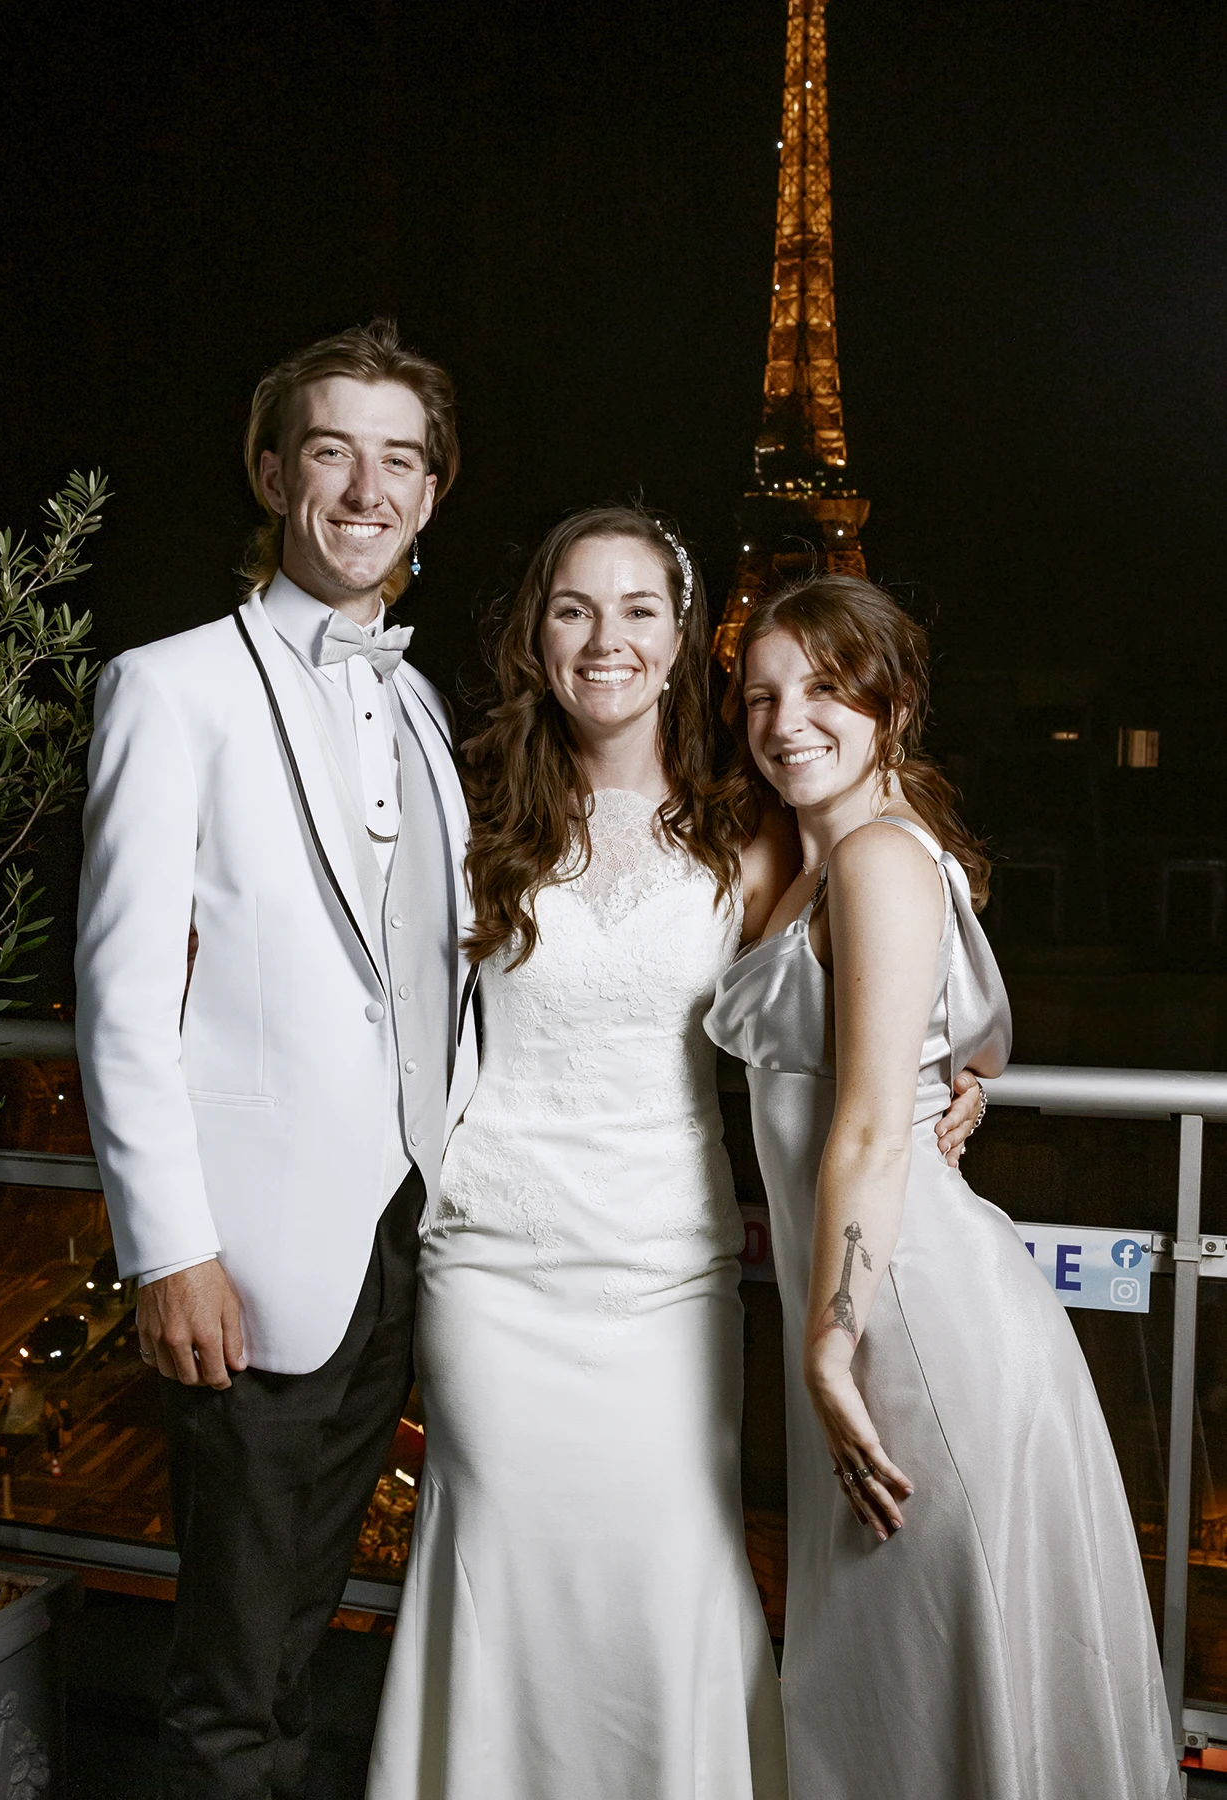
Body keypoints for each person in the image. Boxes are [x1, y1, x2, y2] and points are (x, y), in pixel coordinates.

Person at [366, 511, 984, 1799]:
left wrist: (961, 1065)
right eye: (574, 608)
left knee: (667, 1570)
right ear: (537, 637)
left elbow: (875, 943)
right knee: (502, 1566)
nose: (608, 638)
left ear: (682, 638)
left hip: (668, 1274)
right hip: (492, 1269)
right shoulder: (472, 813)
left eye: (639, 609)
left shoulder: (746, 827)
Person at [75, 320, 477, 1800]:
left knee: (307, 1638)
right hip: (247, 1262)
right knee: (232, 1680)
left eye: (400, 460)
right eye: (331, 452)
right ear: (269, 472)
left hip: (402, 1243)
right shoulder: (166, 686)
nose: (367, 489)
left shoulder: (423, 704)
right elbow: (119, 995)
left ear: (430, 493)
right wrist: (169, 1250)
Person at [704, 574, 1179, 1800]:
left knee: (919, 1670)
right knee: (899, 1677)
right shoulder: (818, 855)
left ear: (895, 707)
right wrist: (959, 1077)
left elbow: (868, 1129)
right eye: (759, 696)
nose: (785, 720)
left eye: (824, 689)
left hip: (907, 1322)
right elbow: (963, 1043)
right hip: (885, 1303)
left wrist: (827, 1343)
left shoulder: (874, 858)